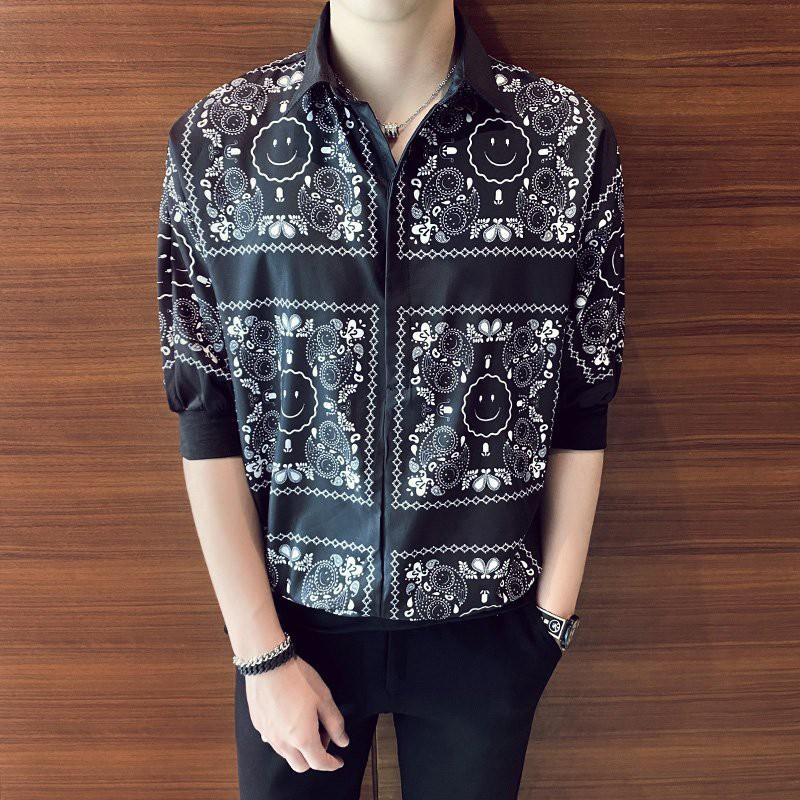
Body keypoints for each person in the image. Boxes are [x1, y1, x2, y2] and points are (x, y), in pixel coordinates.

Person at [155, 0, 625, 797]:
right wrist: (260, 653)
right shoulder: (219, 142)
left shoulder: (565, 141)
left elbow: (584, 393)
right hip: (291, 625)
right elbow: (207, 411)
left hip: (486, 631)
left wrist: (549, 622)